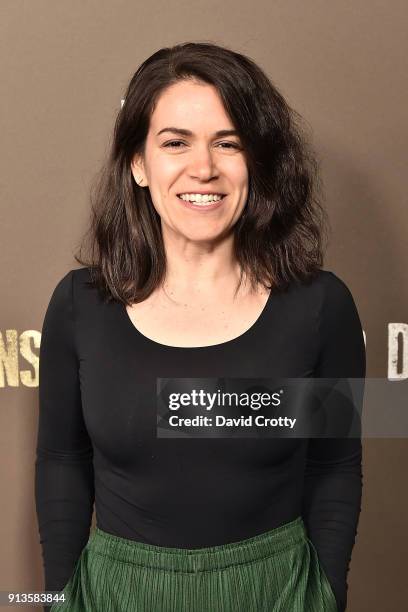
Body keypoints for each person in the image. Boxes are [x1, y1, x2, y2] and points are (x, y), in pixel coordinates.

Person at [35, 41, 366, 612]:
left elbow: (336, 464)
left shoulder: (321, 305)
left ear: (256, 162)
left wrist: (325, 593)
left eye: (228, 143)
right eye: (175, 143)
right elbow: (62, 462)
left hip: (278, 592)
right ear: (138, 163)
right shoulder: (78, 305)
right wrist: (60, 599)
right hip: (118, 594)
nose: (204, 168)